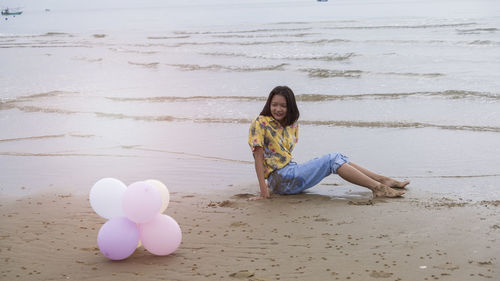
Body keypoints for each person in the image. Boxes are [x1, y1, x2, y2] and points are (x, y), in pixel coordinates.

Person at [248, 86, 409, 201]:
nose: (278, 109)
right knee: (332, 160)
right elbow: (259, 158)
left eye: (283, 105)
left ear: (290, 107)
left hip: (288, 174)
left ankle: (382, 180)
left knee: (338, 157)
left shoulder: (291, 125)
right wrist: (264, 192)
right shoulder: (260, 122)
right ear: (269, 104)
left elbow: (282, 156)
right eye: (274, 104)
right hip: (280, 179)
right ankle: (378, 188)